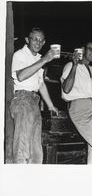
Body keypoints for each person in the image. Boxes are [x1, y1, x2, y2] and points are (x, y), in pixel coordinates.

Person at [10, 27, 58, 164]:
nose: (38, 43)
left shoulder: (38, 58)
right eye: (35, 39)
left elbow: (41, 84)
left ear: (44, 43)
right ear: (27, 40)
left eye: (41, 40)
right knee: (23, 148)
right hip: (22, 99)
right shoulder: (20, 55)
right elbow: (20, 76)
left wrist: (51, 105)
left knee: (36, 152)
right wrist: (44, 61)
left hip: (34, 102)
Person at [61, 42, 92, 164]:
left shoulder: (89, 69)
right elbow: (66, 89)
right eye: (90, 49)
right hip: (79, 108)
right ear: (83, 50)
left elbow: (89, 91)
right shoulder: (70, 65)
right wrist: (74, 65)